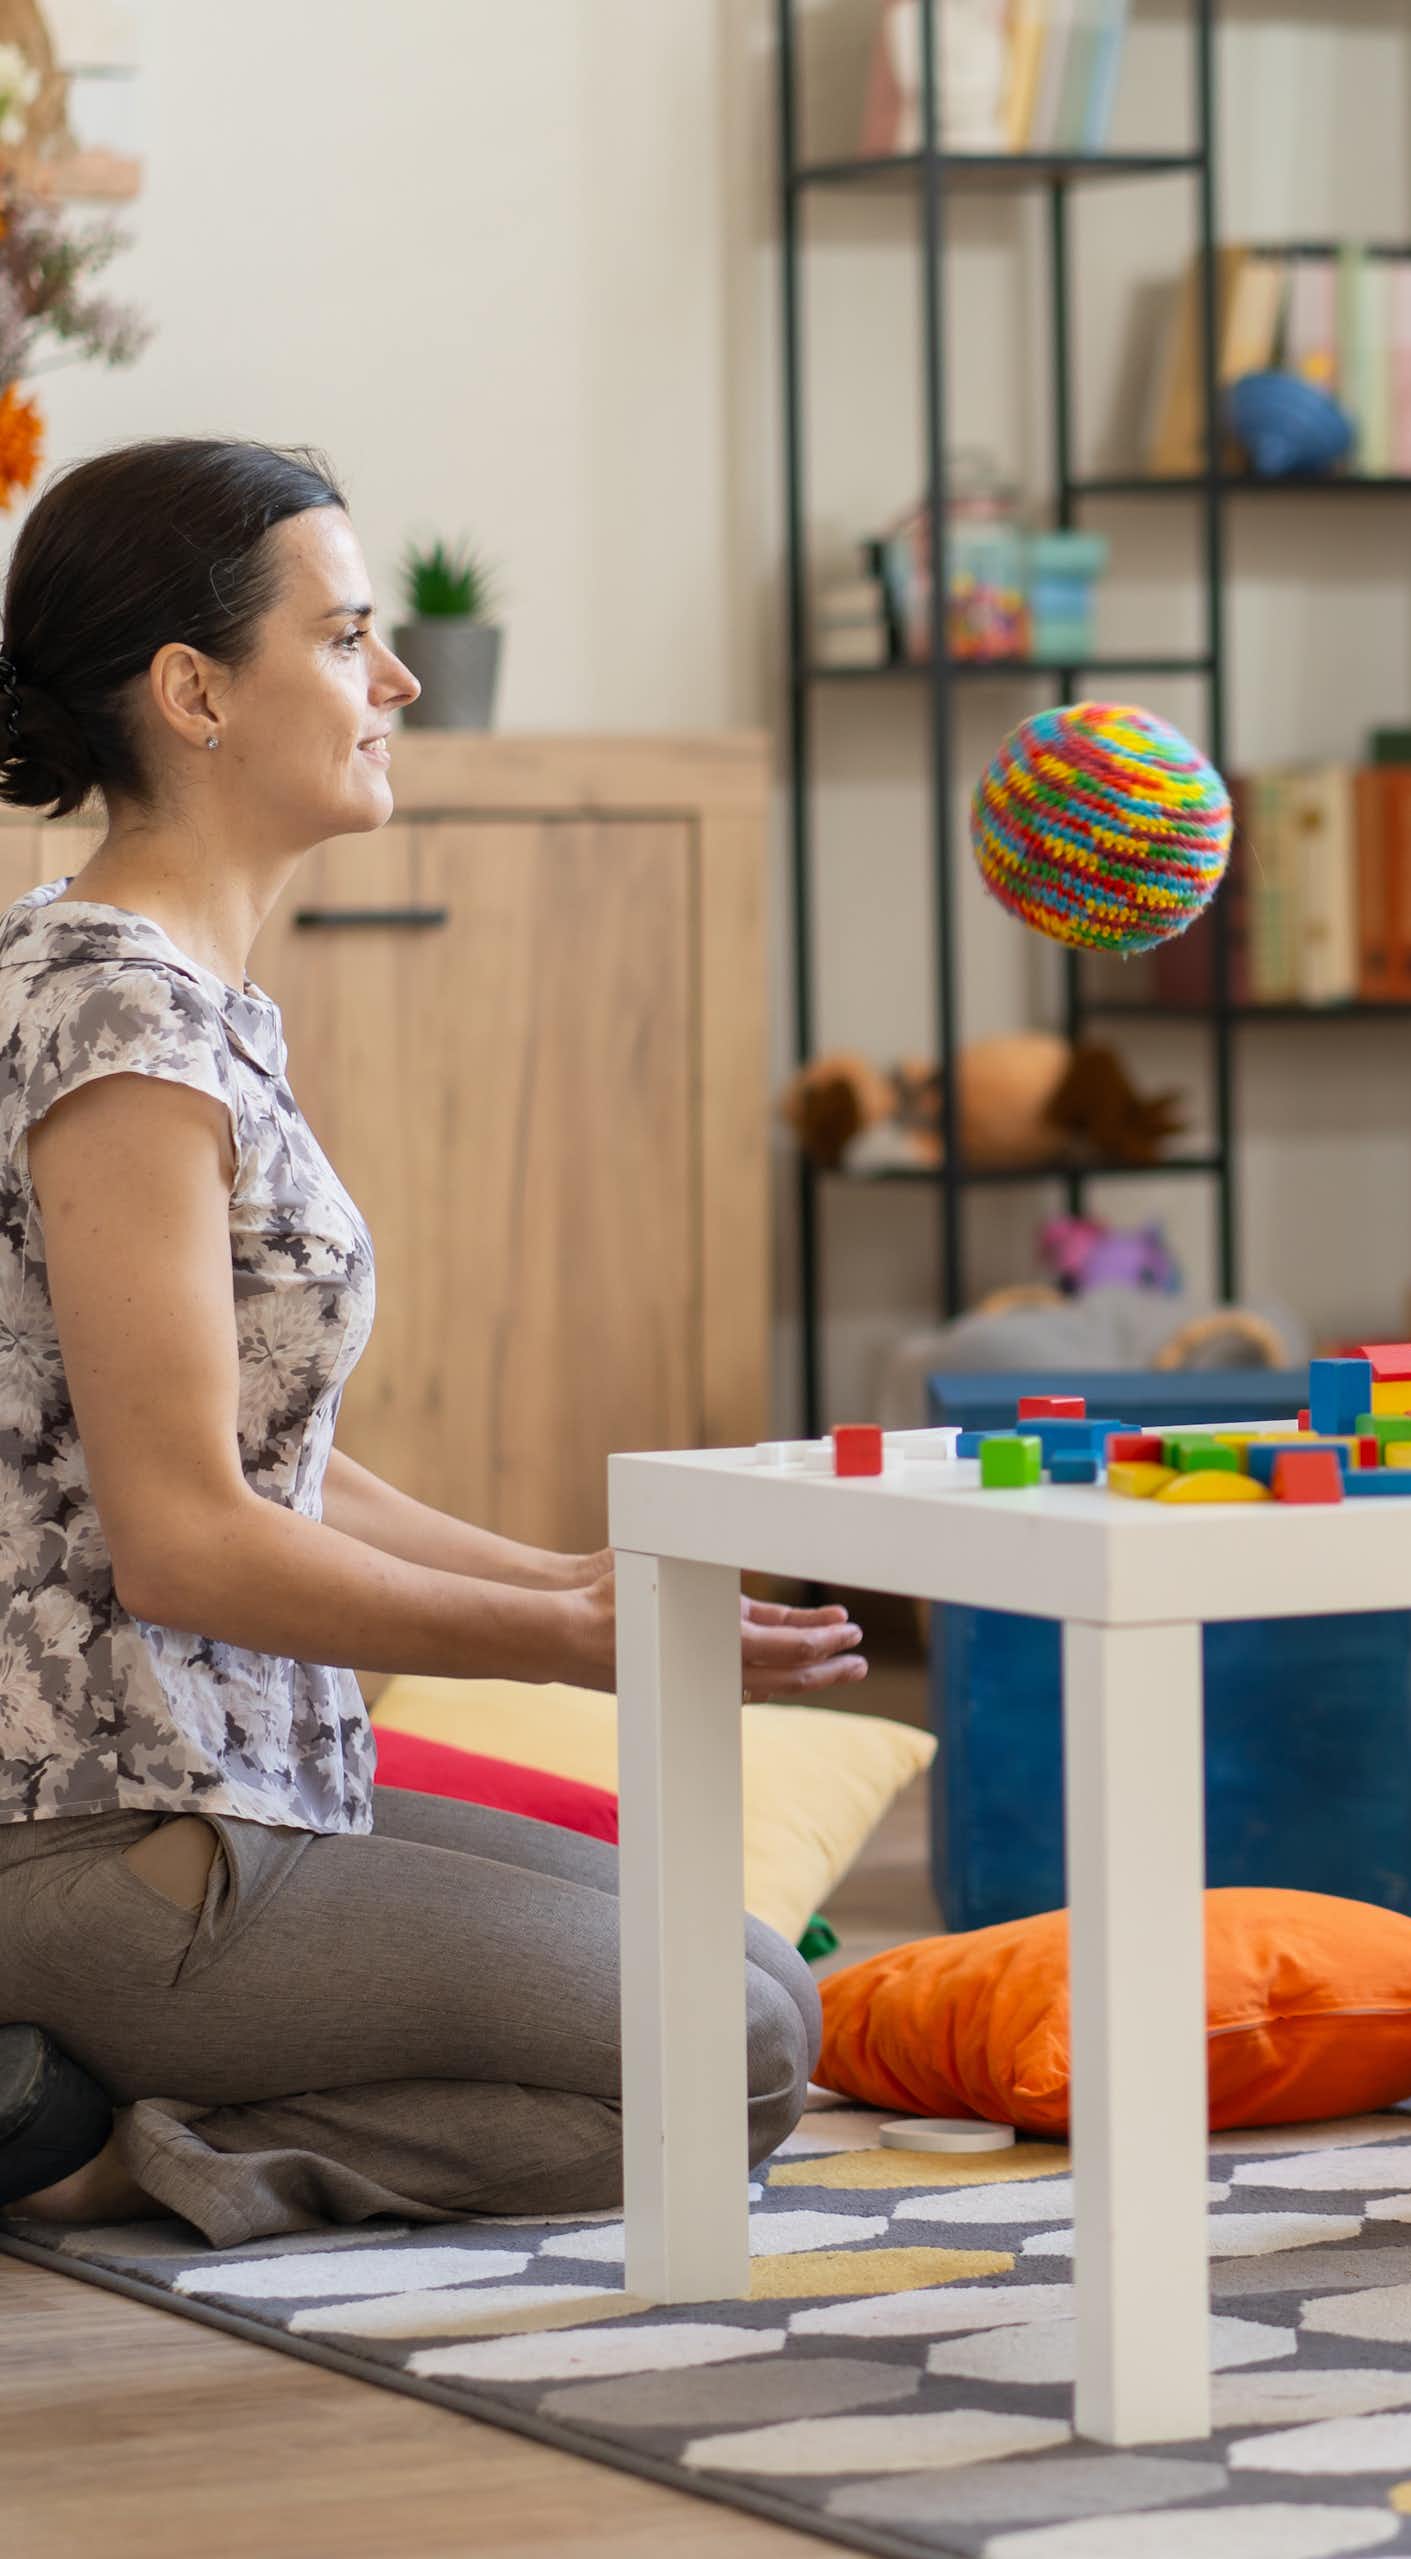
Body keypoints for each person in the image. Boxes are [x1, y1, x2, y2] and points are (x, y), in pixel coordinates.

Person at [0, 439, 867, 2241]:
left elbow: (262, 1449)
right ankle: (92, 2154)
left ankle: (92, 2087)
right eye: (349, 638)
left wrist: (569, 1573)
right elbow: (185, 1536)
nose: (397, 683)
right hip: (93, 1828)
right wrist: (562, 1639)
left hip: (241, 1777)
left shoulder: (170, 997)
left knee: (769, 1983)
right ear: (195, 694)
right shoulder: (119, 1031)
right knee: (726, 2056)